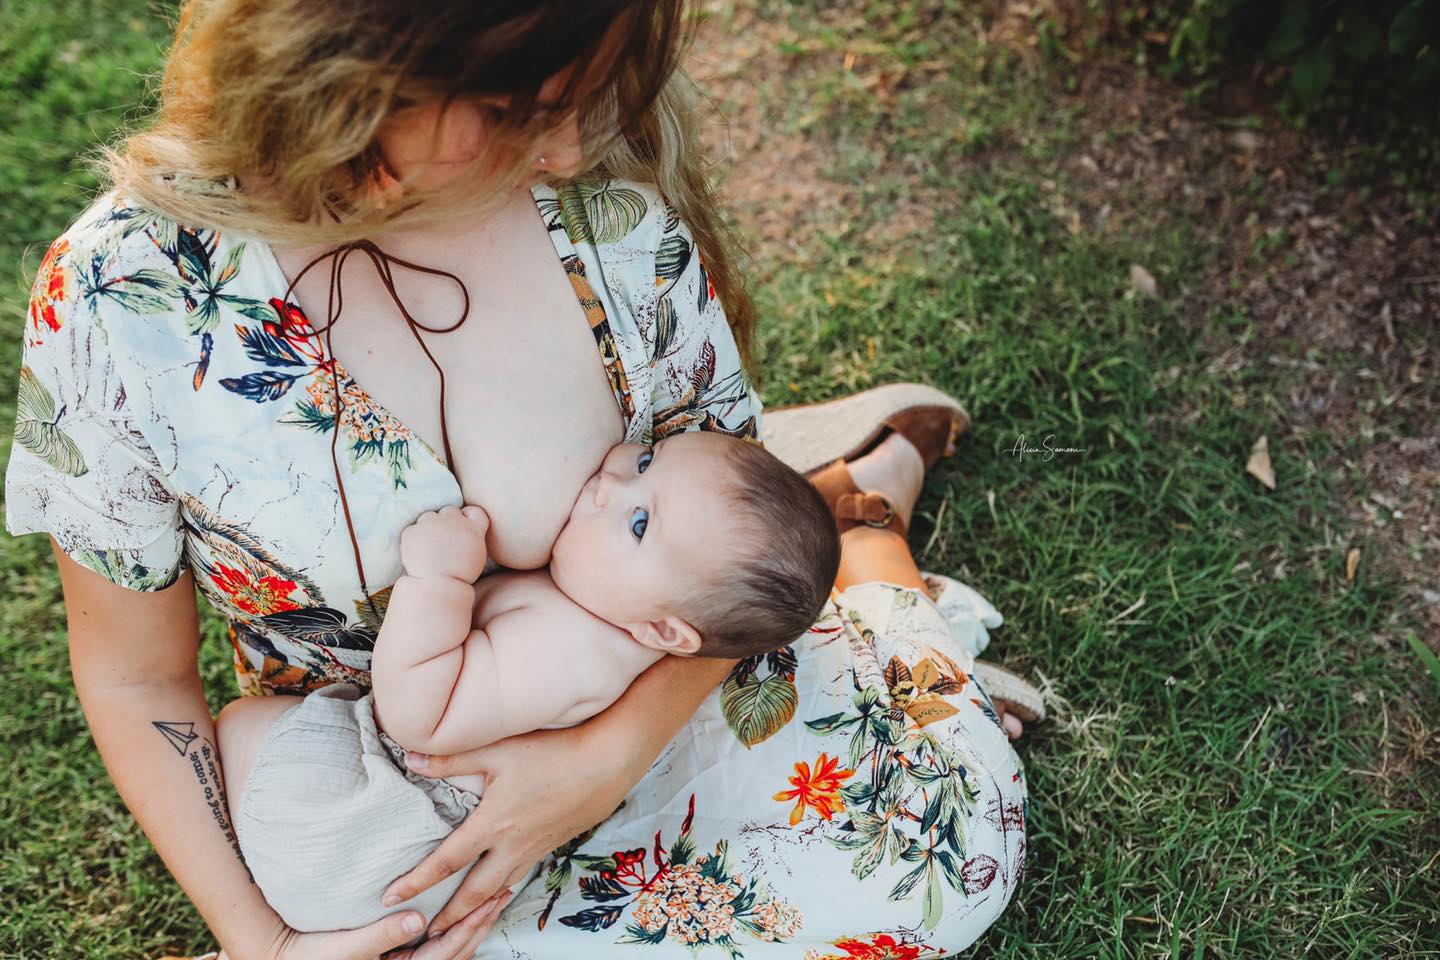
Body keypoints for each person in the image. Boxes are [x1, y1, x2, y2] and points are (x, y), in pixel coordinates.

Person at [4, 2, 1033, 958]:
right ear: (350, 79)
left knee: (939, 857)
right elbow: (136, 679)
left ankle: (860, 527)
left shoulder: (599, 213)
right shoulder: (120, 307)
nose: (567, 148)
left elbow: (720, 544)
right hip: (396, 804)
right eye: (511, 111)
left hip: (652, 701)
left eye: (573, 100)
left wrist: (602, 761)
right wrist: (261, 942)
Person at [217, 433, 841, 935]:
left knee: (243, 724)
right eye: (647, 459)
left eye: (640, 522)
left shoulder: (567, 650)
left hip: (365, 821)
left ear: (662, 629)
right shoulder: (603, 613)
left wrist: (439, 581)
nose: (612, 483)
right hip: (378, 871)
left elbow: (418, 716)